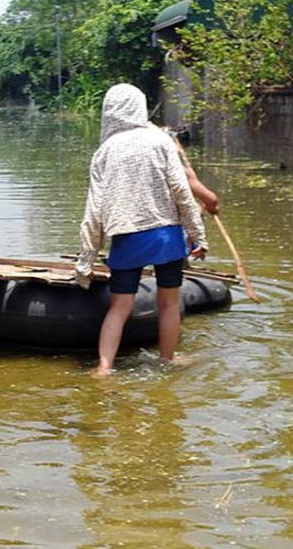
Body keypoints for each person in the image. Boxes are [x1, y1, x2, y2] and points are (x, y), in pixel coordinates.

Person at [75, 83, 209, 376]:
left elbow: (93, 211)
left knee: (119, 307)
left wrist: (86, 259)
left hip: (126, 235)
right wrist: (197, 234)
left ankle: (104, 367)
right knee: (169, 303)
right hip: (166, 235)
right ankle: (167, 359)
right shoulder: (160, 142)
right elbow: (181, 193)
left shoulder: (104, 152)